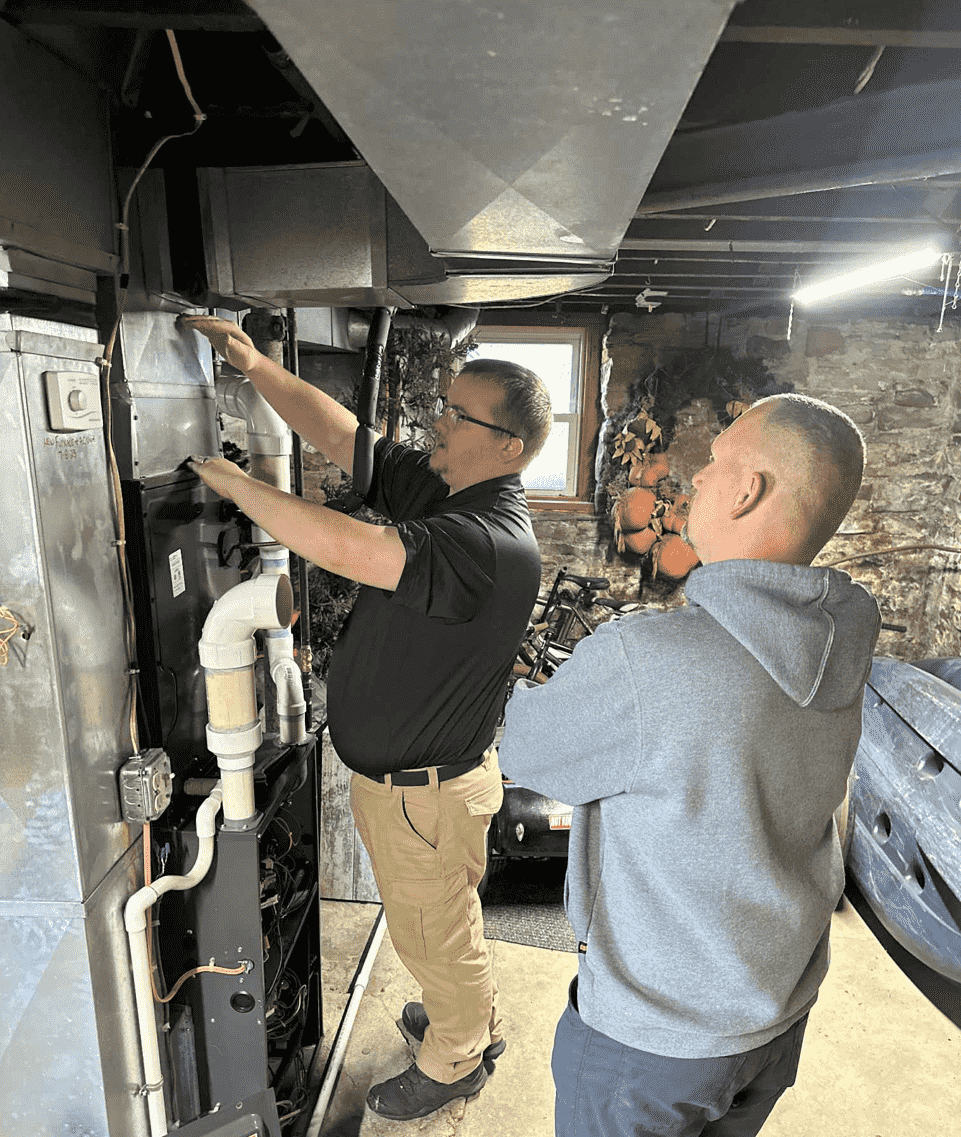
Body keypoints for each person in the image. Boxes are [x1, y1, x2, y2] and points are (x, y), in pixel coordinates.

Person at [178, 313, 551, 1121]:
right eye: (443, 407)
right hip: (417, 785)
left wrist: (244, 488)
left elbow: (350, 549)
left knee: (433, 932)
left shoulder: (488, 538)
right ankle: (464, 1016)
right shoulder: (458, 489)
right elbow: (352, 438)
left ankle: (457, 1056)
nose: (436, 424)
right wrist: (256, 368)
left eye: (457, 415)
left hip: (423, 791)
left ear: (508, 445)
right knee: (437, 924)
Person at [497, 393, 881, 1137]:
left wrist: (538, 687)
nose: (695, 480)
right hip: (775, 1008)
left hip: (652, 1036)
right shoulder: (846, 633)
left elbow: (527, 748)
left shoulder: (648, 657)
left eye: (714, 463)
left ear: (748, 490)